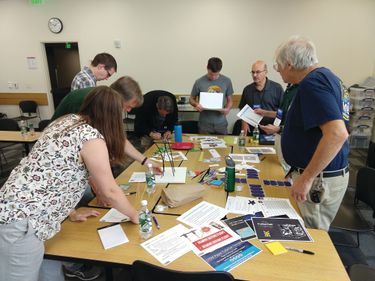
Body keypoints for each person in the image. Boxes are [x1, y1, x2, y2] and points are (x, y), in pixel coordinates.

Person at [0, 86, 139, 281]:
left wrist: (70, 212)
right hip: (22, 222)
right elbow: (110, 191)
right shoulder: (92, 138)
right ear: (113, 116)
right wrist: (135, 215)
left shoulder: (66, 121)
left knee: (48, 272)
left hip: (20, 212)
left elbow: (57, 173)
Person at [274, 36, 349, 231]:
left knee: (311, 237)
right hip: (324, 175)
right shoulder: (329, 77)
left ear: (289, 65)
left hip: (319, 180)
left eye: (278, 66)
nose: (278, 71)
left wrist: (306, 178)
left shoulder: (312, 83)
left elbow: (337, 134)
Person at [258, 84, 299, 173]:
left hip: (288, 138)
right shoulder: (289, 88)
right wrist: (265, 113)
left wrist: (279, 129)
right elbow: (282, 113)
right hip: (279, 135)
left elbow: (298, 123)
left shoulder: (299, 90)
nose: (278, 72)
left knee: (285, 170)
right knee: (279, 166)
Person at [189, 57, 233, 134]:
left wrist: (227, 109)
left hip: (221, 124)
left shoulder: (227, 81)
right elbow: (191, 99)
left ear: (220, 70)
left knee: (223, 145)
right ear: (207, 68)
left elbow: (230, 100)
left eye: (216, 75)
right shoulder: (199, 82)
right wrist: (196, 104)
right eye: (211, 74)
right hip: (204, 124)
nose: (213, 77)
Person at [239, 60, 283, 134]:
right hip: (252, 130)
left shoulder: (277, 88)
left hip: (272, 130)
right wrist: (244, 123)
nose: (255, 75)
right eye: (253, 72)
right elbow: (242, 109)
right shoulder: (247, 89)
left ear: (265, 72)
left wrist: (276, 128)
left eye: (258, 72)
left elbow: (282, 112)